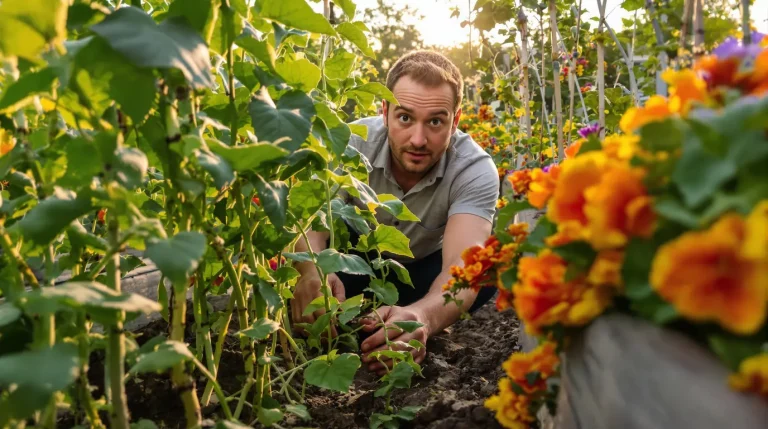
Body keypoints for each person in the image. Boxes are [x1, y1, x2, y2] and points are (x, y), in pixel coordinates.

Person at [290, 50, 500, 374]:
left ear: (455, 121)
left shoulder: (473, 169)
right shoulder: (350, 142)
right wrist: (312, 271)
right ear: (385, 112)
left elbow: (462, 268)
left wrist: (423, 318)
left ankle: (410, 320)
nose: (418, 139)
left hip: (421, 276)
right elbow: (312, 226)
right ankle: (350, 318)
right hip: (351, 269)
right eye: (405, 118)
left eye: (435, 121)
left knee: (486, 267)